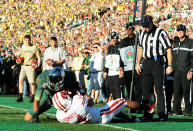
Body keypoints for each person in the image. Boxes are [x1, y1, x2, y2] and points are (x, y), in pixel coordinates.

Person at [135, 15, 173, 121]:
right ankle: (148, 114)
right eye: (144, 26)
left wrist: (170, 65)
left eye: (147, 26)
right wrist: (138, 63)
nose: (145, 28)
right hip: (146, 62)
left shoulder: (161, 32)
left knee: (160, 89)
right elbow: (140, 48)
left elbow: (169, 49)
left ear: (152, 23)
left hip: (158, 62)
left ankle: (162, 114)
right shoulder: (142, 33)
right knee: (146, 89)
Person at [53, 91, 140, 124]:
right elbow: (91, 101)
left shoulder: (60, 116)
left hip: (93, 119)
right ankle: (146, 108)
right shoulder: (78, 101)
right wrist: (83, 93)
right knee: (124, 101)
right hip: (103, 114)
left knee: (115, 110)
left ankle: (131, 117)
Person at [172, 24, 193, 116]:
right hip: (176, 72)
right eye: (179, 31)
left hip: (186, 71)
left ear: (185, 32)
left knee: (187, 92)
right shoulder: (176, 44)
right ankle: (176, 111)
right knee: (176, 92)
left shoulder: (190, 42)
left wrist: (191, 70)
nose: (180, 32)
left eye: (182, 31)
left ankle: (188, 111)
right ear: (177, 32)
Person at [16, 35, 41, 103]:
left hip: (30, 66)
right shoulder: (23, 47)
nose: (28, 41)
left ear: (30, 40)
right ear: (24, 40)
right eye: (26, 40)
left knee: (32, 82)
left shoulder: (34, 47)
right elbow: (22, 56)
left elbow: (38, 57)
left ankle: (33, 96)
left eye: (29, 40)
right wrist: (19, 60)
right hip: (23, 65)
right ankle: (20, 96)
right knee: (20, 80)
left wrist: (38, 65)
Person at [104, 32, 124, 99]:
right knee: (112, 89)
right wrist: (105, 71)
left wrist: (121, 70)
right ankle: (115, 105)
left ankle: (119, 105)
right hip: (110, 72)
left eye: (115, 38)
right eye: (112, 38)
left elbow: (122, 58)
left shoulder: (121, 46)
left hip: (117, 71)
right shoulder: (109, 48)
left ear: (117, 38)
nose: (113, 40)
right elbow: (107, 60)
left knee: (118, 89)